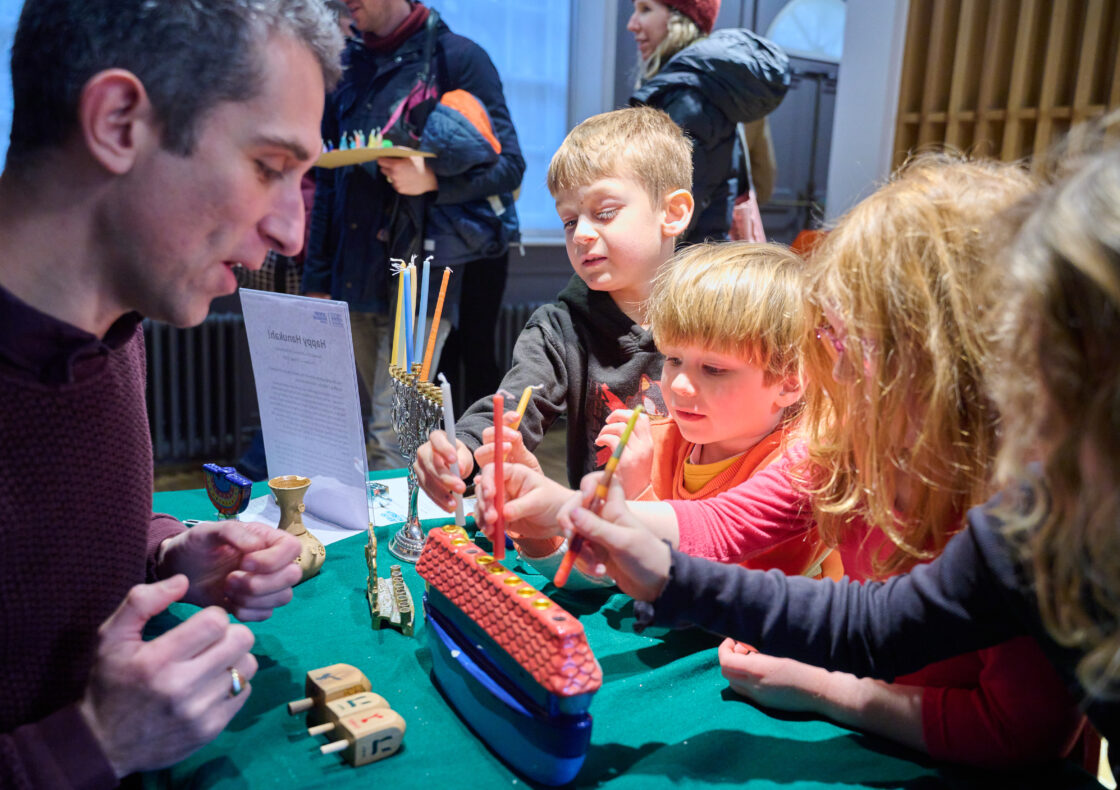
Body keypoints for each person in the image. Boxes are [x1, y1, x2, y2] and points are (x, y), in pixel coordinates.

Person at [476, 155, 1087, 767]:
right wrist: (567, 507)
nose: (831, 363)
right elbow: (726, 526)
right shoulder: (850, 452)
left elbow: (1019, 733)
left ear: (945, 367)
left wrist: (833, 691)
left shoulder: (1033, 521)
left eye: (850, 340)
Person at [0, 1, 343, 786]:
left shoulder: (118, 309)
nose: (292, 232)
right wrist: (90, 742)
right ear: (120, 122)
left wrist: (164, 551)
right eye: (268, 167)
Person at [478, 241, 835, 587]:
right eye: (673, 360)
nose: (678, 385)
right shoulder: (659, 438)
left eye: (713, 368)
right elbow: (591, 575)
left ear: (789, 384)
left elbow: (716, 594)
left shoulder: (803, 467)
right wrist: (529, 519)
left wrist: (637, 493)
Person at [413, 106, 694, 513]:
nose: (580, 234)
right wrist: (465, 448)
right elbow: (512, 407)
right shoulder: (557, 329)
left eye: (604, 213)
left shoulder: (718, 313)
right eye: (568, 221)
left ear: (672, 213)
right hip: (602, 542)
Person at [302, 0, 524, 470]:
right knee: (380, 426)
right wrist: (316, 281)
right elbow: (326, 180)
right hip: (351, 276)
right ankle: (405, 530)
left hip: (422, 277)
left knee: (391, 431)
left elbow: (510, 166)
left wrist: (434, 181)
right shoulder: (344, 64)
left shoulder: (459, 58)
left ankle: (400, 542)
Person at [627, 0, 789, 242]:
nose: (631, 24)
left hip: (682, 263)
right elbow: (763, 181)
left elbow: (668, 219)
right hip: (704, 253)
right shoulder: (716, 85)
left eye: (646, 9)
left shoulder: (688, 97)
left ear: (679, 19)